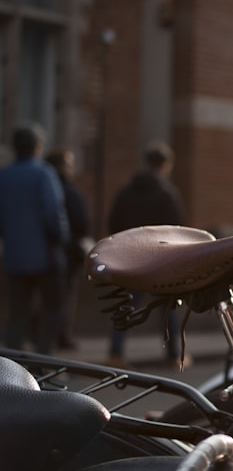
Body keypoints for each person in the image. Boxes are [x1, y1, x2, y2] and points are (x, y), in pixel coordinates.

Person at [106, 141, 187, 368]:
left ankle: (115, 354)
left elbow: (113, 223)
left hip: (130, 259)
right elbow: (178, 231)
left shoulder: (126, 192)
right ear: (166, 165)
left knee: (126, 307)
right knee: (168, 308)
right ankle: (173, 356)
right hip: (160, 261)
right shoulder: (167, 194)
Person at [0, 125, 69, 354]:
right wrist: (61, 239)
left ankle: (12, 364)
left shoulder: (4, 176)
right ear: (38, 148)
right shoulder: (44, 174)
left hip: (14, 256)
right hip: (45, 255)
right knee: (53, 306)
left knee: (17, 312)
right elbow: (53, 212)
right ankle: (43, 357)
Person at [46, 148, 92, 351]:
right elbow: (81, 221)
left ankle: (52, 336)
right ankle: (59, 337)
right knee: (63, 299)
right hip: (66, 252)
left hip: (48, 252)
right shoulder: (67, 190)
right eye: (69, 164)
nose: (71, 169)